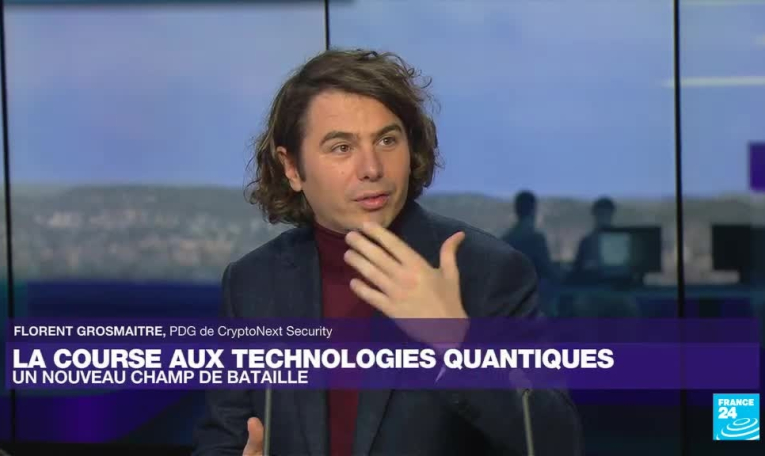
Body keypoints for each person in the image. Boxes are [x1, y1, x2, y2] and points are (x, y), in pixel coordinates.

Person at [193, 48, 582, 456]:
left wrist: (456, 344)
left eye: (387, 140)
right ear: (291, 167)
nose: (372, 168)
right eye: (341, 147)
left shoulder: (488, 271)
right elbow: (223, 438)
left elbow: (557, 444)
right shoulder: (253, 283)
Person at [501, 191, 560, 283]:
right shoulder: (536, 239)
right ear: (534, 210)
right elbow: (549, 271)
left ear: (516, 210)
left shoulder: (505, 239)